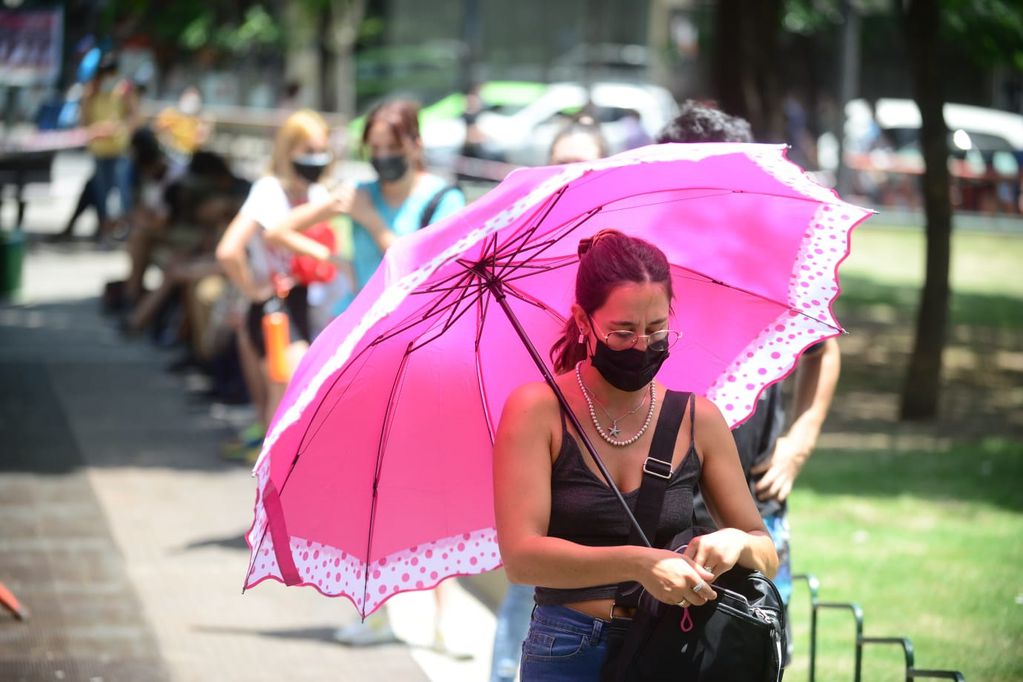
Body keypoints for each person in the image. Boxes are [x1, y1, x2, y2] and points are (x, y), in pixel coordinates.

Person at [494, 229, 778, 680]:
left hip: (672, 644)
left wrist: (736, 542)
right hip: (568, 646)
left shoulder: (697, 419)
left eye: (656, 329)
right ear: (583, 323)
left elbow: (766, 552)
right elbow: (522, 558)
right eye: (623, 332)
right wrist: (640, 563)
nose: (643, 346)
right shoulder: (538, 411)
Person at [270, 100, 467, 650]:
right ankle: (373, 607)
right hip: (364, 353)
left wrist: (369, 222)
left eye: (390, 146)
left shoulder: (441, 198)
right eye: (373, 148)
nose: (381, 158)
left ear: (414, 143)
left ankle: (444, 619)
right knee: (371, 486)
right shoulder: (357, 191)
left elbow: (420, 270)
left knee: (438, 487)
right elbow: (279, 230)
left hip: (426, 356)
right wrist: (336, 261)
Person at [656, 99, 842, 663]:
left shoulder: (772, 257)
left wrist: (799, 442)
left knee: (758, 652)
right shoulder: (648, 263)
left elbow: (823, 347)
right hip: (671, 506)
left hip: (758, 505)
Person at [488, 115, 608, 682]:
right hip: (553, 476)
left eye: (584, 164)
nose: (572, 177)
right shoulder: (523, 265)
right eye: (561, 165)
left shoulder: (629, 262)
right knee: (530, 599)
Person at [215, 109, 344, 464]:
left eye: (322, 150)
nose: (316, 158)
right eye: (308, 150)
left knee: (285, 396)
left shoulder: (316, 191)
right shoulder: (269, 191)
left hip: (302, 303)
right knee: (286, 394)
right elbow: (228, 250)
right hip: (275, 306)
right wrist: (253, 289)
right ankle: (272, 481)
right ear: (288, 151)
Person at [80, 51, 139, 244]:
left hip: (119, 149)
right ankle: (105, 232)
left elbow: (135, 116)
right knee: (102, 193)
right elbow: (84, 121)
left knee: (123, 194)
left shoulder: (124, 89)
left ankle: (127, 233)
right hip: (99, 149)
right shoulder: (91, 90)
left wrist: (120, 128)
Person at [153, 86, 212, 164]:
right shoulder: (171, 113)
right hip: (170, 155)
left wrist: (203, 127)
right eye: (188, 99)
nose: (191, 103)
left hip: (189, 157)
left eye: (194, 101)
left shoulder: (199, 120)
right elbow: (157, 130)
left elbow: (200, 142)